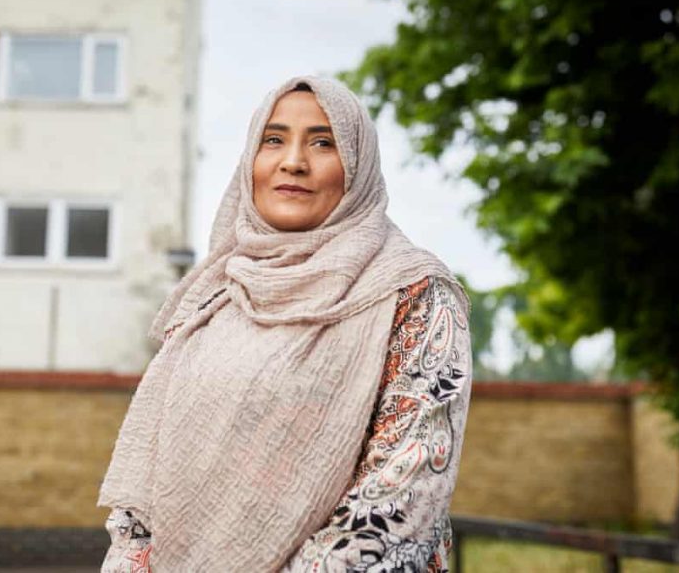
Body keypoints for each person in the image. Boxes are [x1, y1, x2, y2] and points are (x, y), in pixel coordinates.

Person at [97, 75, 473, 572]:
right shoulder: (212, 300)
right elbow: (146, 489)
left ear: (357, 167)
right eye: (273, 140)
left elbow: (405, 491)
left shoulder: (413, 293)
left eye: (323, 142)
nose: (293, 160)